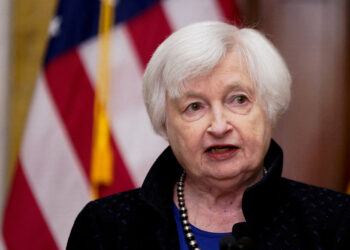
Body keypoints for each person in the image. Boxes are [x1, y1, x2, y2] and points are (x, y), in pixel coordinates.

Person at [66, 21, 350, 250]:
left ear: (269, 108)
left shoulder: (334, 221)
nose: (218, 126)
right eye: (194, 107)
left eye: (238, 99)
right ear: (166, 123)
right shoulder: (106, 227)